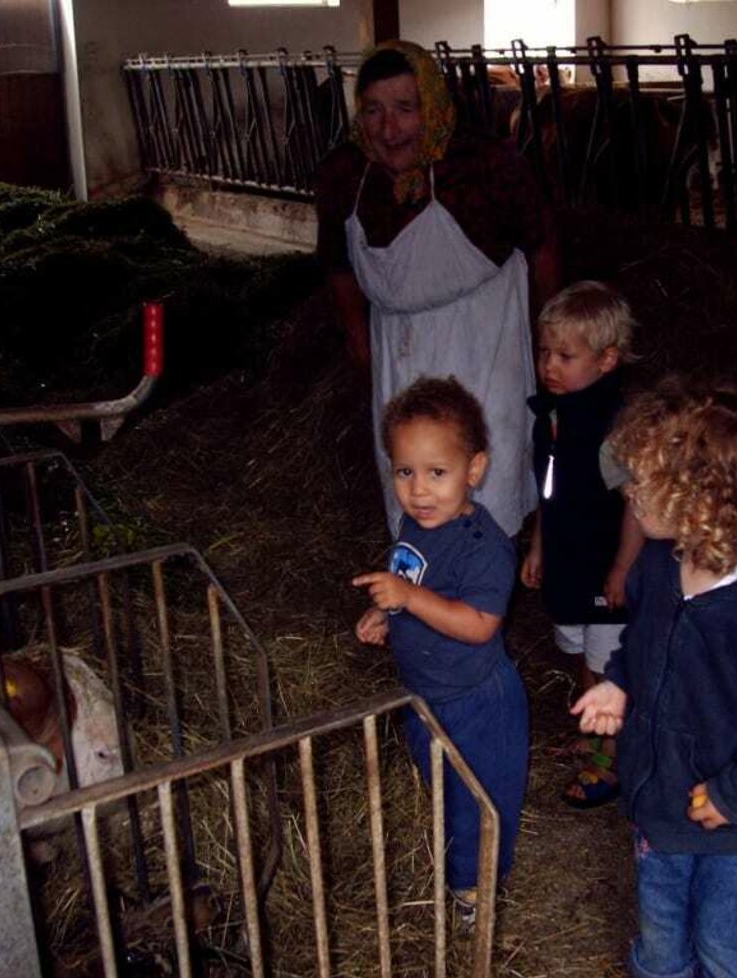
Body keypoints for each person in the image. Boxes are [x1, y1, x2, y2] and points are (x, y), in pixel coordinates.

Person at [572, 379, 737, 978]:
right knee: (661, 931)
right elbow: (643, 643)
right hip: (663, 799)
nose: (629, 491)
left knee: (724, 937)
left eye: (645, 481)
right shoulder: (659, 567)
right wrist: (618, 682)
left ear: (704, 496)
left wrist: (733, 794)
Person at [315, 40, 562, 539]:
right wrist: (359, 340)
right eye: (374, 111)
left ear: (432, 105)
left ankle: (486, 589)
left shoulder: (484, 165)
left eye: (406, 109)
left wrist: (549, 337)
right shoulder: (345, 173)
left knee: (482, 478)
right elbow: (338, 264)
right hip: (398, 349)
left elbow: (542, 244)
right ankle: (425, 589)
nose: (389, 129)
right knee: (414, 481)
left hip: (483, 345)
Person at [352, 376, 529, 927]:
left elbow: (478, 625)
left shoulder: (485, 548)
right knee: (443, 791)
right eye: (405, 472)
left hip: (478, 701)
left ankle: (478, 892)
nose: (419, 490)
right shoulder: (415, 524)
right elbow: (411, 576)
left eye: (437, 473)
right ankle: (461, 869)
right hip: (427, 693)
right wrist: (388, 610)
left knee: (480, 801)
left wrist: (408, 596)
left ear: (474, 470)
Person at [520, 280, 644, 808]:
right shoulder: (551, 417)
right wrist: (537, 546)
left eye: (565, 355)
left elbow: (639, 505)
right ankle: (595, 728)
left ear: (607, 360)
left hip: (602, 566)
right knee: (580, 651)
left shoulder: (610, 428)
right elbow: (550, 493)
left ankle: (609, 757)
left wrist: (622, 568)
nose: (550, 365)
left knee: (607, 659)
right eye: (545, 351)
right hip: (568, 559)